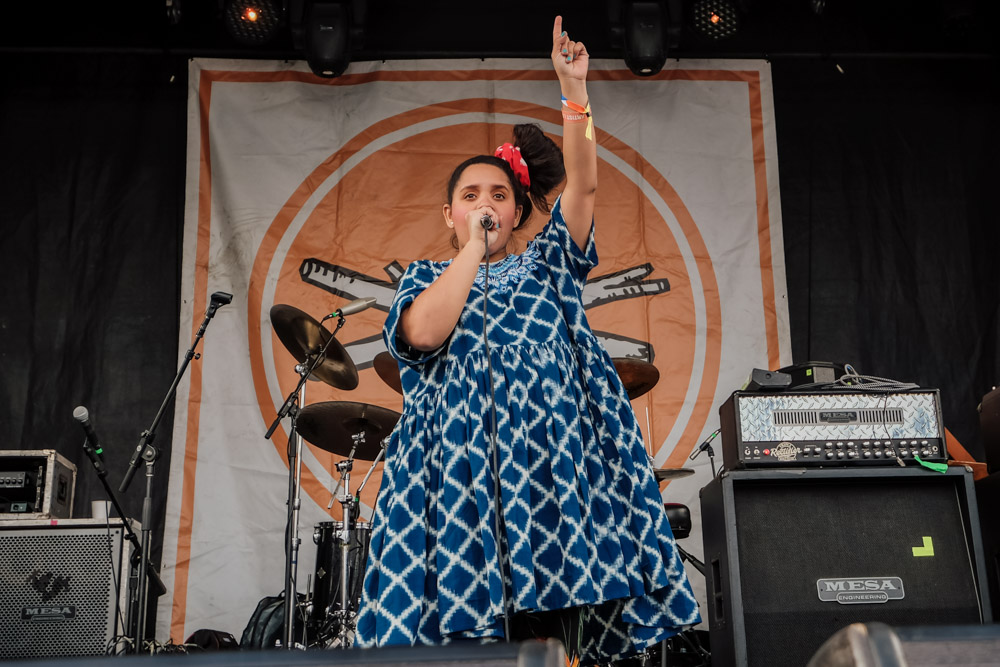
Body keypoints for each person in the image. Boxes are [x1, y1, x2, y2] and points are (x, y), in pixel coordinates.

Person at [355, 16, 700, 664]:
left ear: (518, 210)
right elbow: (425, 333)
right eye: (470, 195)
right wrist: (471, 252)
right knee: (459, 636)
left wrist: (575, 94)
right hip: (454, 476)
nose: (486, 203)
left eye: (499, 195)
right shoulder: (427, 277)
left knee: (548, 639)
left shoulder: (546, 264)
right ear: (450, 214)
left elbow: (586, 184)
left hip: (546, 471)